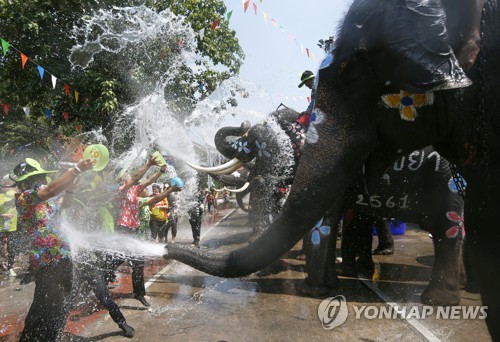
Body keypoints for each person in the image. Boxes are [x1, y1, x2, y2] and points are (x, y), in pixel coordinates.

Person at [13, 157, 93, 341]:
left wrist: (72, 189)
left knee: (60, 304)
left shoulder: (45, 201)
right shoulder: (24, 199)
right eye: (37, 178)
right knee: (45, 305)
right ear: (25, 183)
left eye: (41, 178)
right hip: (47, 261)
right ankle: (31, 338)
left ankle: (51, 336)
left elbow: (64, 205)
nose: (42, 182)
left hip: (63, 258)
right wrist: (76, 169)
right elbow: (50, 190)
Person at [112, 155, 165, 307]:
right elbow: (136, 178)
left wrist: (160, 171)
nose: (131, 179)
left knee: (138, 262)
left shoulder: (134, 191)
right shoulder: (121, 190)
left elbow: (147, 182)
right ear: (123, 180)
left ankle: (139, 294)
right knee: (118, 258)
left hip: (134, 229)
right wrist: (149, 163)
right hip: (123, 228)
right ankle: (103, 276)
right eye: (128, 178)